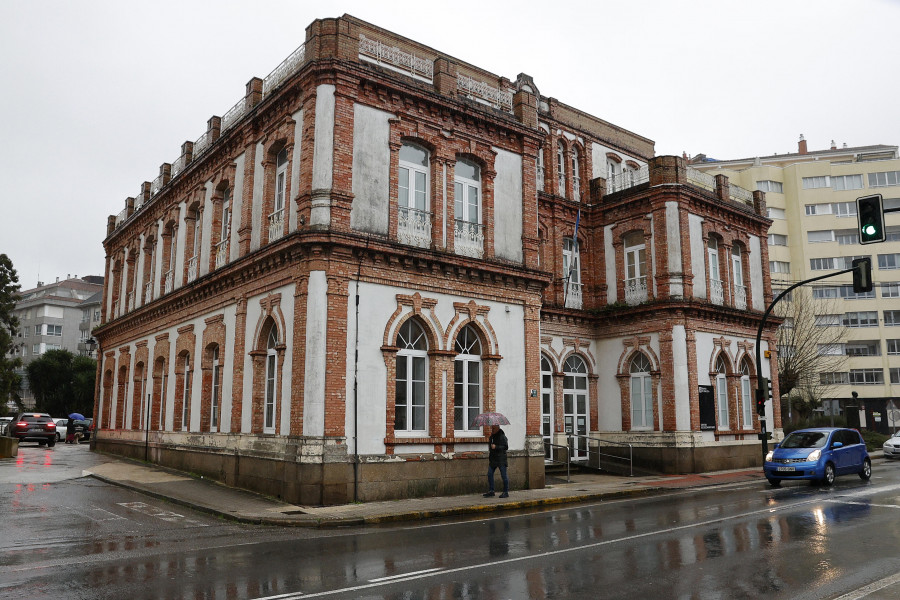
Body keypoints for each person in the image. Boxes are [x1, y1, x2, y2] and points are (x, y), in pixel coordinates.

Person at [483, 424, 509, 498]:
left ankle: (506, 492)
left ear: (497, 428)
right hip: (493, 459)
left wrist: (496, 447)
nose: (492, 430)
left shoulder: (502, 436)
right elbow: (491, 448)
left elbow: (505, 447)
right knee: (489, 474)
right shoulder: (492, 437)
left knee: (504, 476)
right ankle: (491, 491)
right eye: (491, 428)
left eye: (493, 428)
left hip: (501, 459)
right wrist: (491, 446)